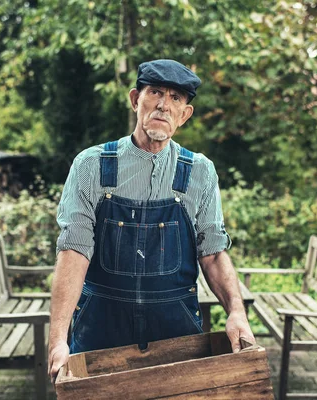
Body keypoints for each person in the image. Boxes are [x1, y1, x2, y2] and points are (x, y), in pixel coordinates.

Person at [47, 59, 255, 382]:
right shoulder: (91, 167)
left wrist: (236, 312)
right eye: (155, 92)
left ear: (185, 115)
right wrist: (58, 339)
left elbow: (213, 254)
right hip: (100, 335)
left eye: (175, 98)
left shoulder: (199, 172)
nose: (163, 105)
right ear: (135, 100)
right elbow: (73, 254)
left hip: (176, 339)